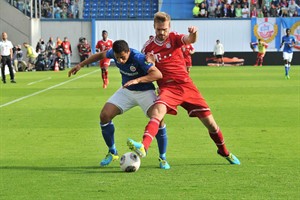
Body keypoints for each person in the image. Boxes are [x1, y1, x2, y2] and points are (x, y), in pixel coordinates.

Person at [127, 12, 240, 165]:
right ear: (154, 27)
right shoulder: (148, 47)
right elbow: (147, 68)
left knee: (211, 124)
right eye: (159, 29)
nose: (162, 32)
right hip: (168, 88)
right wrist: (149, 63)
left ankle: (224, 151)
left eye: (164, 29)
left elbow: (189, 40)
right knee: (157, 112)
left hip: (187, 86)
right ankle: (144, 146)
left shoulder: (174, 38)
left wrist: (194, 33)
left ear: (169, 27)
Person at [68, 40, 171, 169]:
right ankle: (112, 152)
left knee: (159, 120)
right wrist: (80, 65)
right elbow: (100, 55)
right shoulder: (113, 53)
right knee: (104, 115)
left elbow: (157, 74)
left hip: (145, 91)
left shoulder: (138, 57)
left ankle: (163, 158)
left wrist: (137, 80)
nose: (120, 60)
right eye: (117, 58)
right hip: (127, 91)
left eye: (123, 57)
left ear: (128, 52)